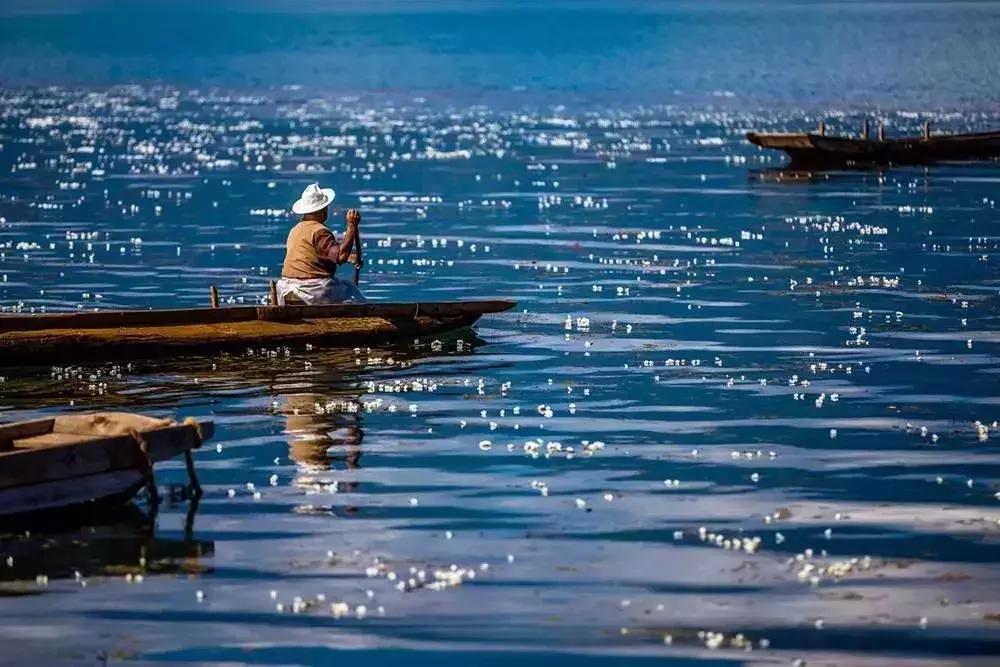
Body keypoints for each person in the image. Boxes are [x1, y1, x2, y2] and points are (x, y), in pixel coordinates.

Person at [276, 183, 366, 305]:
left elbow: (311, 255)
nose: (326, 210)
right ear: (321, 210)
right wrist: (351, 226)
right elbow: (340, 257)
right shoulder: (319, 231)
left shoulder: (295, 230)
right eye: (325, 207)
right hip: (312, 290)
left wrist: (351, 258)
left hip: (285, 288)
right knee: (352, 291)